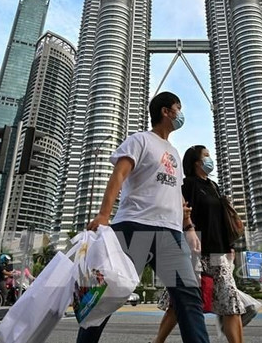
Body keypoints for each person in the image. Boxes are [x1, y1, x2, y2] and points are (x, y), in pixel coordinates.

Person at [79, 91, 210, 343]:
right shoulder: (139, 140)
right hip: (134, 227)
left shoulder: (173, 152)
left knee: (188, 296)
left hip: (170, 233)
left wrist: (189, 226)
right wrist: (104, 214)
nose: (180, 114)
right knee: (107, 297)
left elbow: (176, 192)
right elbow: (119, 174)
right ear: (165, 111)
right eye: (178, 108)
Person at [153, 145, 245, 343]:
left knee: (231, 304)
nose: (210, 159)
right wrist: (189, 229)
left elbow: (221, 220)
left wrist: (230, 246)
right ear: (196, 162)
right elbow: (181, 212)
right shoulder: (188, 185)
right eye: (206, 156)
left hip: (219, 253)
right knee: (180, 303)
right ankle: (157, 341)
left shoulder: (213, 186)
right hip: (195, 252)